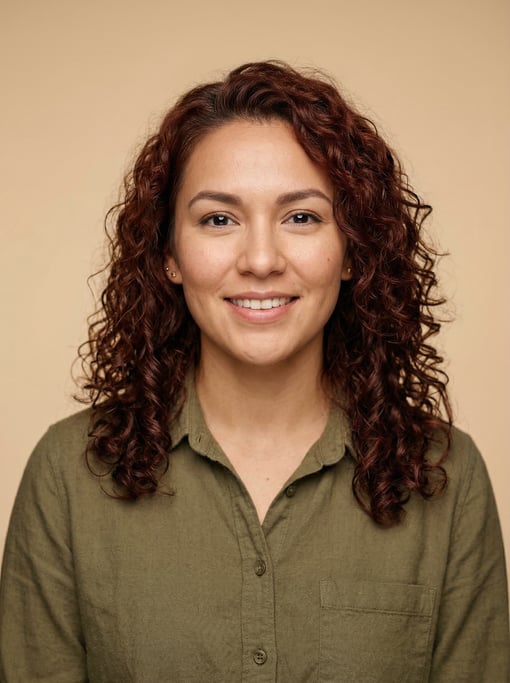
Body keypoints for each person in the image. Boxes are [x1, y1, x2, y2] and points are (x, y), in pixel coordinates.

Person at [0, 61, 508, 682]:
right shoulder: (69, 474)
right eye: (219, 219)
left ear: (352, 251)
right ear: (169, 255)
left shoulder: (447, 476)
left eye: (302, 217)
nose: (262, 260)